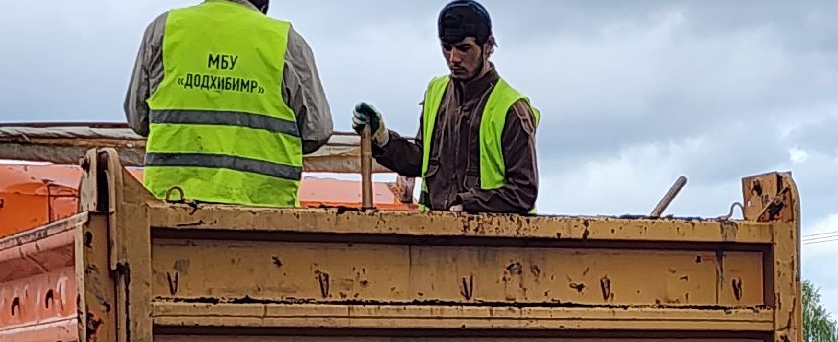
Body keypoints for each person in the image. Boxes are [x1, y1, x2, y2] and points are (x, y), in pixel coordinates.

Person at [124, 0, 336, 207]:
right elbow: (316, 132)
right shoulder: (286, 41)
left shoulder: (164, 30)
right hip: (265, 213)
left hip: (168, 209)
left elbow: (138, 120)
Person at [350, 0, 539, 214]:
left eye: (464, 48)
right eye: (446, 47)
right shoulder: (436, 92)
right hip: (435, 234)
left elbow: (524, 192)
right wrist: (383, 140)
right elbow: (422, 161)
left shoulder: (511, 108)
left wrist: (468, 204)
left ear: (488, 47)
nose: (453, 58)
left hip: (491, 240)